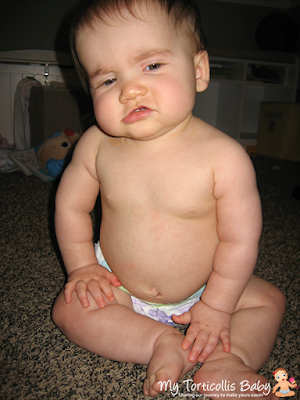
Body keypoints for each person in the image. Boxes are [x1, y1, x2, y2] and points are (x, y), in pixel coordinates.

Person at [52, 0, 286, 397]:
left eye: (152, 66)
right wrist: (82, 268)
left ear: (198, 71)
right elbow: (70, 207)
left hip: (206, 288)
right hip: (119, 284)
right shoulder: (95, 145)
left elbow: (239, 240)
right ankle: (158, 342)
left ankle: (228, 362)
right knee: (68, 310)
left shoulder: (225, 158)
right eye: (107, 80)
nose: (130, 90)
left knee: (267, 301)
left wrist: (216, 306)